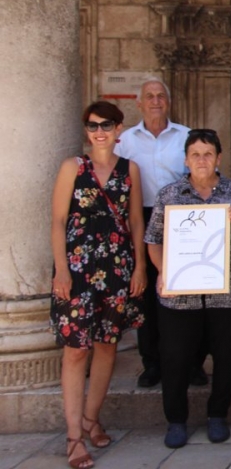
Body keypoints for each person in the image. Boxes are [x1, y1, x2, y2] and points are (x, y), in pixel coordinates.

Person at [51, 101, 146, 469]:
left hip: (117, 266)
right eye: (92, 126)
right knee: (76, 349)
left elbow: (135, 221)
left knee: (107, 344)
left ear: (119, 128)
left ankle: (91, 418)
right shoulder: (72, 168)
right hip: (77, 268)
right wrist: (61, 269)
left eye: (107, 124)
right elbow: (58, 220)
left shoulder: (129, 170)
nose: (99, 131)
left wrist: (138, 268)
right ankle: (74, 436)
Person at [144, 129, 231, 449]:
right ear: (186, 160)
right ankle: (176, 420)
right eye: (195, 155)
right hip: (181, 294)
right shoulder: (169, 194)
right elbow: (153, 241)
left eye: (208, 154)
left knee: (228, 356)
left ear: (219, 158)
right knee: (174, 357)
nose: (201, 160)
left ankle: (217, 415)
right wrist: (166, 272)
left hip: (229, 292)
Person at [114, 78, 190, 389]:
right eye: (150, 96)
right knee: (146, 292)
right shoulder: (126, 141)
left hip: (181, 218)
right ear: (139, 104)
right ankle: (152, 362)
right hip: (141, 217)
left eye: (161, 96)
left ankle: (192, 362)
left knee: (186, 289)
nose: (156, 101)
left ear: (167, 102)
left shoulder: (185, 136)